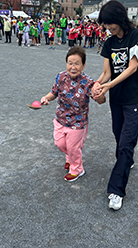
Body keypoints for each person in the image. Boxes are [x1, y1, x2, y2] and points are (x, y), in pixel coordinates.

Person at [92, 0, 138, 211]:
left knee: (125, 143)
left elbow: (133, 67)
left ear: (120, 18)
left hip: (136, 98)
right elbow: (107, 72)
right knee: (119, 136)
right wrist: (97, 85)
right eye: (105, 24)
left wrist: (107, 86)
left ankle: (116, 190)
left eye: (110, 23)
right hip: (116, 99)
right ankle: (127, 160)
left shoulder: (137, 37)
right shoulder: (109, 43)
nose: (108, 27)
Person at [40, 47, 105, 182]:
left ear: (83, 65)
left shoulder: (88, 82)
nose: (73, 67)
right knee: (60, 144)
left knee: (72, 147)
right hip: (60, 119)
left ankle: (77, 169)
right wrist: (46, 98)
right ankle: (70, 157)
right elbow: (54, 93)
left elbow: (100, 101)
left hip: (78, 122)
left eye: (77, 63)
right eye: (70, 63)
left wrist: (99, 95)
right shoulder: (61, 77)